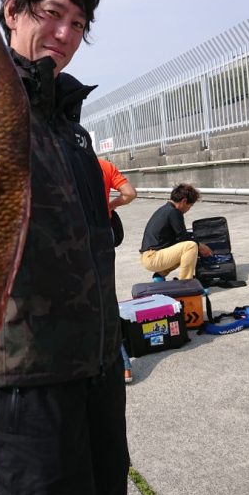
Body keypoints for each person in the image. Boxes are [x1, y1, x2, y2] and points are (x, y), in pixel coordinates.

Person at [0, 0, 162, 495]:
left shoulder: (72, 126)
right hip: (27, 369)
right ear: (11, 10)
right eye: (51, 12)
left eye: (78, 22)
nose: (65, 31)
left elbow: (90, 228)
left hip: (91, 356)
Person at [98, 159, 137, 383]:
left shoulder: (59, 160)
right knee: (106, 298)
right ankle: (123, 365)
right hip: (104, 233)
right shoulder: (103, 165)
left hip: (74, 239)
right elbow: (130, 193)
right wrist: (110, 206)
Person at [140, 183, 212, 280]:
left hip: (149, 257)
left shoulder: (165, 209)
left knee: (185, 252)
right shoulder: (174, 212)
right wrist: (201, 246)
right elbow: (183, 238)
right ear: (184, 201)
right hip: (153, 257)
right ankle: (186, 283)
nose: (188, 209)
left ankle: (159, 276)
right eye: (190, 205)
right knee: (191, 246)